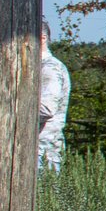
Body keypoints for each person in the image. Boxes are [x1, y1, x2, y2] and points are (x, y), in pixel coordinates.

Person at [38, 19, 71, 171]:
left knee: (44, 195)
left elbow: (46, 109)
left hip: (43, 153)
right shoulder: (40, 67)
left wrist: (8, 111)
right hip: (36, 151)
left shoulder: (50, 68)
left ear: (42, 38)